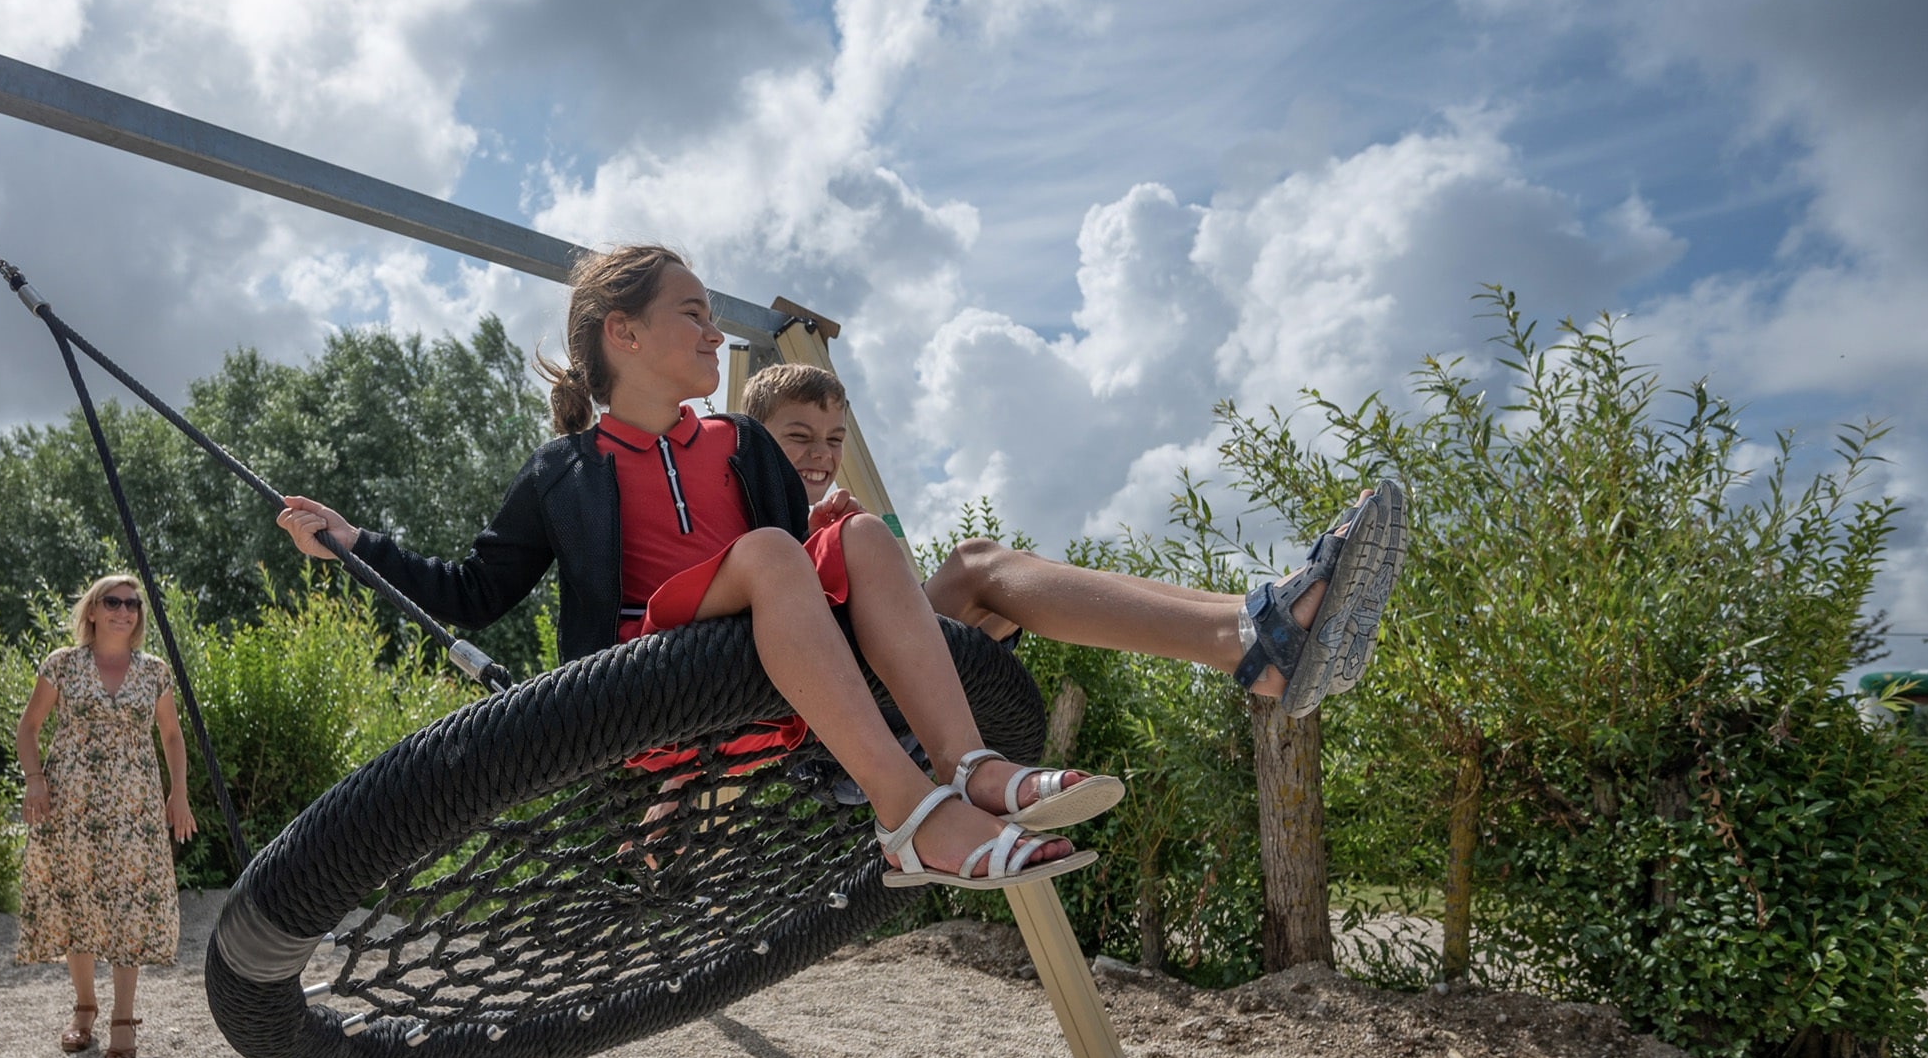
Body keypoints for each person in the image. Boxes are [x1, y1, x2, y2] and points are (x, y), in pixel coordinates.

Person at [275, 246, 1114, 890]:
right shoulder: (565, 471)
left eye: (714, 318)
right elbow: (475, 592)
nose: (714, 333)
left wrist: (854, 569)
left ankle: (969, 766)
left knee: (858, 536)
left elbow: (805, 572)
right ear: (625, 332)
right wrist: (359, 545)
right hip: (650, 685)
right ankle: (909, 816)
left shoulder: (740, 442)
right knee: (774, 553)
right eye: (694, 315)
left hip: (760, 678)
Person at [739, 362, 1401, 718]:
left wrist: (831, 544)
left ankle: (1258, 615)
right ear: (752, 438)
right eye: (799, 437)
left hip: (864, 675)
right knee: (975, 565)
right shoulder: (739, 518)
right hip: (825, 709)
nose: (822, 454)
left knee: (1010, 578)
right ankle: (1252, 643)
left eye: (834, 440)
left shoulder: (808, 524)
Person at [13, 573, 197, 1058]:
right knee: (77, 901)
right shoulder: (62, 665)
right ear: (92, 611)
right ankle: (84, 1008)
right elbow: (28, 728)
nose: (123, 611)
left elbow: (172, 736)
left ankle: (123, 1019)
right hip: (69, 807)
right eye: (112, 602)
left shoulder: (153, 671)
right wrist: (35, 780)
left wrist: (178, 793)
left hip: (135, 809)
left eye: (132, 604)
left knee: (129, 904)